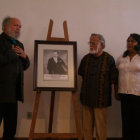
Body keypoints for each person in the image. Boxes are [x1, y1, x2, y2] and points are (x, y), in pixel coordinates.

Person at [78, 33, 118, 140]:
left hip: (101, 99)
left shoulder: (109, 59)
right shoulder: (85, 59)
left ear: (102, 44)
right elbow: (81, 73)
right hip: (86, 97)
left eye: (94, 43)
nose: (91, 45)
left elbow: (113, 78)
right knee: (86, 128)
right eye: (90, 43)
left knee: (101, 127)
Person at [0, 17, 30, 140]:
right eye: (15, 25)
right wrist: (12, 53)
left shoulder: (19, 44)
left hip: (13, 93)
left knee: (11, 128)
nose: (18, 28)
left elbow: (25, 66)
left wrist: (24, 56)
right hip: (1, 92)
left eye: (20, 26)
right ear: (5, 27)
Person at [116, 33, 140, 140]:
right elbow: (116, 74)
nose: (129, 43)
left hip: (137, 94)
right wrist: (115, 90)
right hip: (124, 94)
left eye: (132, 41)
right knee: (126, 121)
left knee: (137, 122)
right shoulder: (122, 57)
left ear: (138, 43)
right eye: (128, 41)